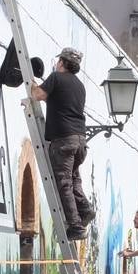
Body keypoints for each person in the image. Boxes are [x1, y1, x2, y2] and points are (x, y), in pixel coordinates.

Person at [30, 47, 94, 240]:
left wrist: (32, 85)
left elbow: (38, 95)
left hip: (64, 140)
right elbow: (57, 100)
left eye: (58, 61)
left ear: (63, 63)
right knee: (73, 179)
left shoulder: (56, 78)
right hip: (80, 141)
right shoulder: (79, 86)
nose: (56, 64)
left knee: (64, 183)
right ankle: (85, 208)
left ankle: (75, 226)